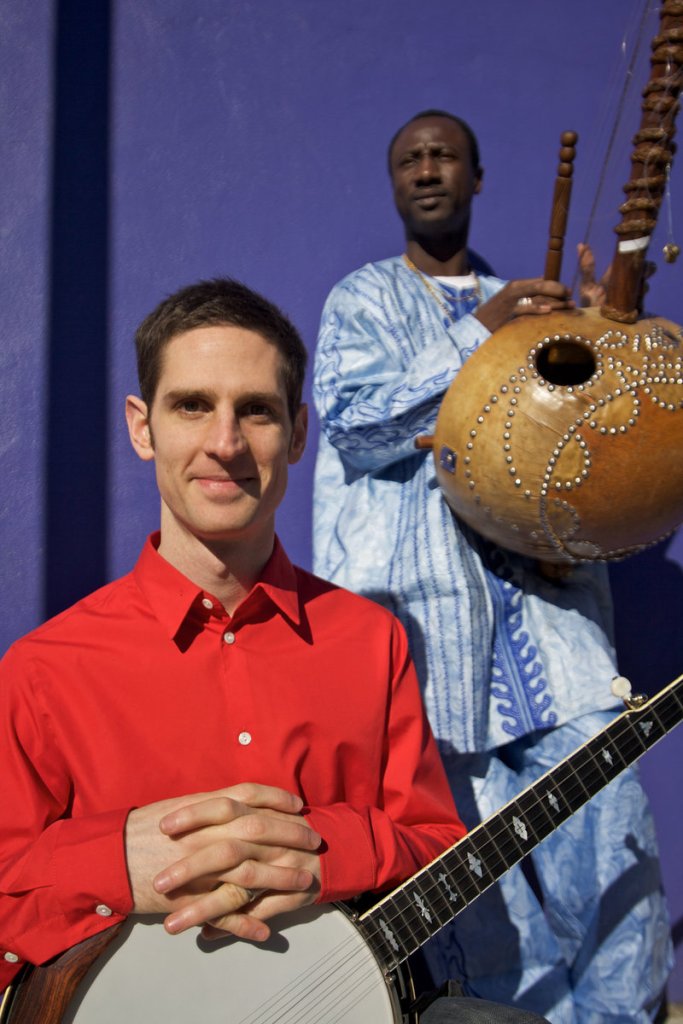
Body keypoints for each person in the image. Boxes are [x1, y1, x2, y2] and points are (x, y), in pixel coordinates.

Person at [0, 278, 550, 1024]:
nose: (224, 444)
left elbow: (434, 844)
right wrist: (110, 862)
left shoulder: (369, 640)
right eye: (192, 405)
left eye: (254, 411)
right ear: (142, 427)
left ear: (295, 433)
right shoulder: (42, 669)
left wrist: (332, 847)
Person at [312, 110, 673, 1024]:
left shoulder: (541, 305)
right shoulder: (364, 300)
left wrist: (608, 333)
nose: (427, 170)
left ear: (476, 176)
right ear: (393, 183)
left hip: (556, 652)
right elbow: (357, 423)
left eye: (444, 157)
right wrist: (481, 332)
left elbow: (615, 446)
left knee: (618, 893)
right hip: (429, 660)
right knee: (492, 933)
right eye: (409, 159)